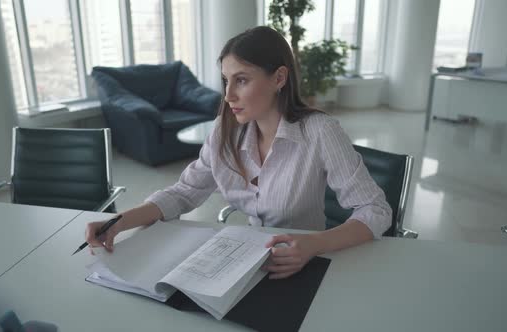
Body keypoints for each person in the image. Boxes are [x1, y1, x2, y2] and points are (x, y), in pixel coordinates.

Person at [85, 26, 391, 280]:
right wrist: (120, 222)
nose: (228, 95)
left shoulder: (320, 132)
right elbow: (184, 192)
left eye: (241, 80)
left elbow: (375, 210)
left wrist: (314, 244)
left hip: (307, 263)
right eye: (226, 81)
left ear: (279, 78)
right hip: (250, 261)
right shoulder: (224, 130)